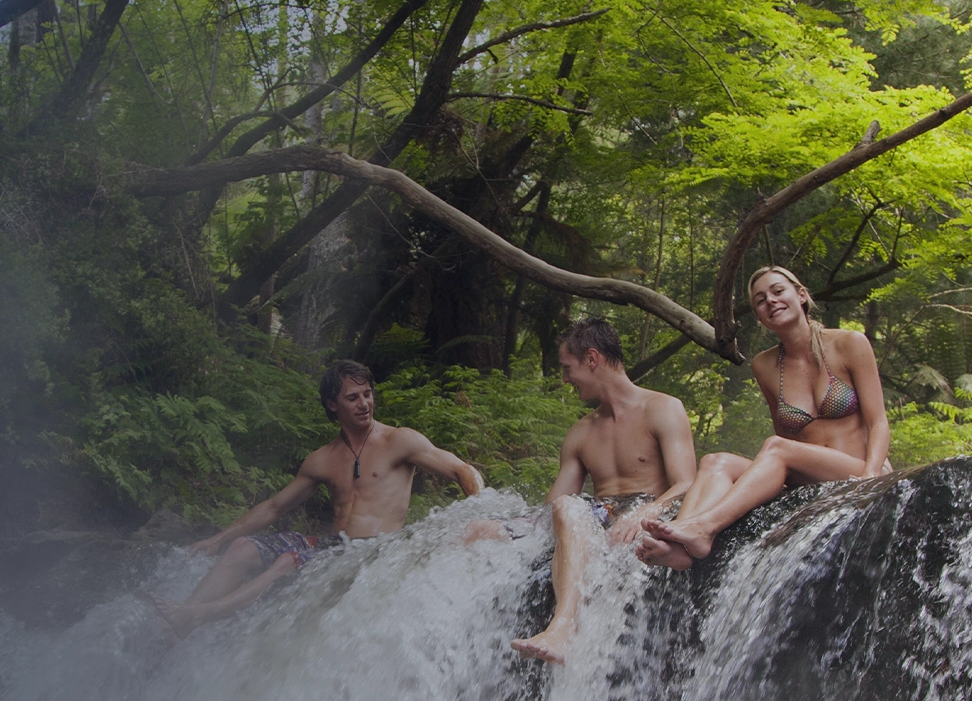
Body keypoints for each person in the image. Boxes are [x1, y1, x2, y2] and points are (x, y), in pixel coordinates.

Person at [147, 359, 484, 633]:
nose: (364, 403)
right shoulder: (323, 459)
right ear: (331, 405)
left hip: (378, 552)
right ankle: (177, 623)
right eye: (352, 398)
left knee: (284, 562)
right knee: (243, 548)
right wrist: (218, 538)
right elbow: (275, 507)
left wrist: (483, 507)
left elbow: (462, 471)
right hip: (332, 549)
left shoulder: (400, 441)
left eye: (367, 394)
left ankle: (199, 615)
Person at [638, 265, 891, 567]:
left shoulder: (849, 343)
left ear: (801, 295)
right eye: (760, 300)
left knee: (775, 447)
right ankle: (679, 546)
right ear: (759, 317)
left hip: (858, 469)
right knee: (714, 461)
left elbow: (878, 422)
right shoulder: (765, 365)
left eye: (778, 291)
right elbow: (788, 436)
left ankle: (704, 528)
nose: (770, 301)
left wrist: (871, 476)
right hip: (806, 479)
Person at [508, 318, 699, 664]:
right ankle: (562, 628)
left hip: (645, 515)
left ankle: (563, 628)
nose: (565, 379)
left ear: (592, 359)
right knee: (559, 509)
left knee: (572, 508)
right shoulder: (580, 433)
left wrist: (648, 511)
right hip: (597, 517)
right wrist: (506, 528)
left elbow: (687, 483)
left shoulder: (662, 409)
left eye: (568, 368)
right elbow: (554, 504)